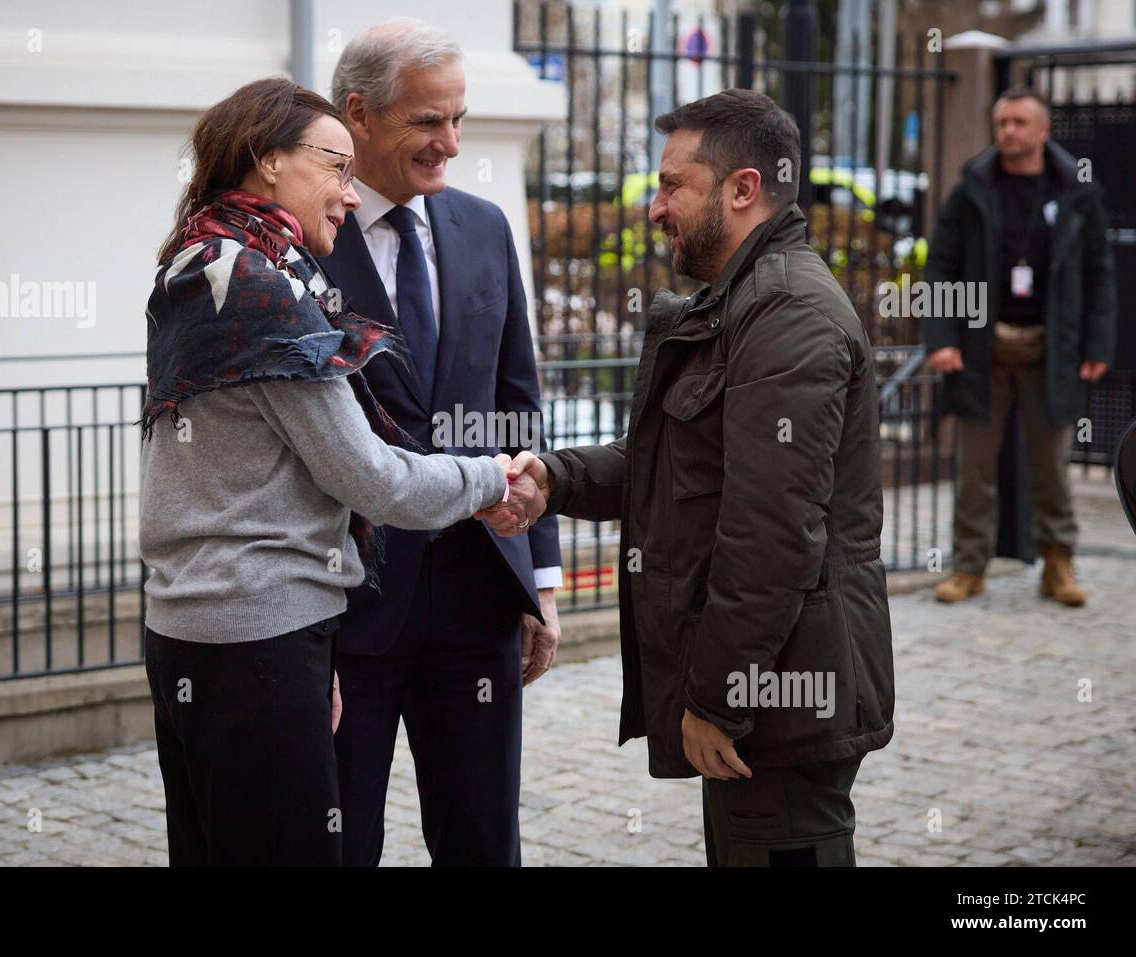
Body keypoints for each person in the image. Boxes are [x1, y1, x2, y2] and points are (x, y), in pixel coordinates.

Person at [485, 89, 895, 867]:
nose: (654, 207)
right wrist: (554, 479)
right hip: (768, 701)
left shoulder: (788, 313)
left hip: (780, 706)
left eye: (674, 185)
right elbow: (672, 462)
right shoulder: (740, 300)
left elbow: (771, 536)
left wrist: (720, 699)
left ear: (743, 188)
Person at [138, 78, 517, 866]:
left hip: (189, 631)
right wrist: (496, 480)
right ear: (269, 160)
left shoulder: (194, 263)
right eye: (335, 167)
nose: (349, 194)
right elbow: (375, 479)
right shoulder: (263, 293)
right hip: (258, 638)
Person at [316, 18, 563, 867]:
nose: (450, 143)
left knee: (483, 839)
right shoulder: (305, 241)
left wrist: (540, 577)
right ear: (359, 114)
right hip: (350, 610)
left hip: (476, 599)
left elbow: (516, 406)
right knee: (345, 839)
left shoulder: (484, 228)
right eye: (429, 122)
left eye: (458, 119)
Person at [923, 86, 1116, 606]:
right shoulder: (972, 187)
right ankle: (969, 567)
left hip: (1052, 349)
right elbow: (940, 264)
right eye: (1001, 121)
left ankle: (1058, 565)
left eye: (1019, 122)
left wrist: (1097, 342)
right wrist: (941, 337)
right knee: (975, 468)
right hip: (980, 347)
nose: (1008, 130)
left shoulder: (1078, 189)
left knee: (1051, 465)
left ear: (1043, 130)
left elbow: (1100, 273)